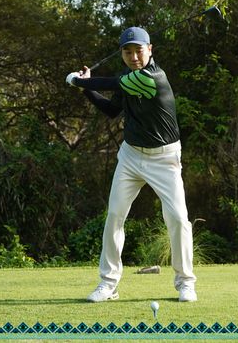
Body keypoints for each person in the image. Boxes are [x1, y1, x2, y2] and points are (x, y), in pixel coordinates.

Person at [65, 26, 197, 303]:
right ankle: (108, 284)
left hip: (164, 159)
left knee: (177, 219)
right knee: (114, 216)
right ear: (122, 53)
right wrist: (86, 88)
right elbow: (113, 110)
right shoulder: (127, 77)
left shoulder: (153, 77)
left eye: (139, 50)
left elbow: (113, 83)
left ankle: (186, 283)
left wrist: (79, 82)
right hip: (130, 157)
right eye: (128, 52)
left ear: (150, 50)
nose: (134, 57)